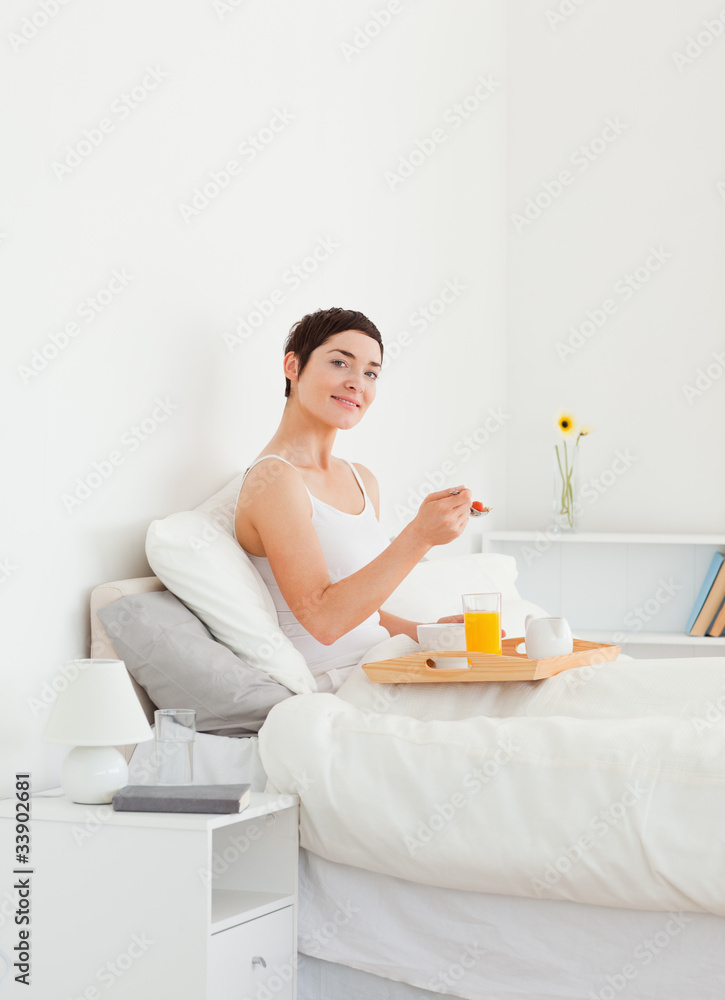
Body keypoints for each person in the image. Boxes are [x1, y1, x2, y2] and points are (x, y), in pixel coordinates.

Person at [234, 307, 476, 689]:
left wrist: (428, 632)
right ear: (293, 366)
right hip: (340, 682)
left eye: (370, 373)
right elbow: (325, 622)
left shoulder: (361, 479)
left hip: (382, 664)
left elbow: (364, 613)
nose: (357, 383)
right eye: (339, 363)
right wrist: (420, 536)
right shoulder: (274, 479)